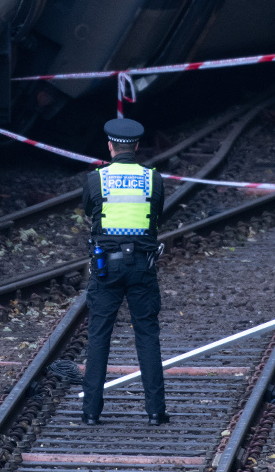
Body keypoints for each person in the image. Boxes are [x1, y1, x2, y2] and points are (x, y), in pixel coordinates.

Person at [81, 117, 170, 426]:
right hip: (142, 268)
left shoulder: (97, 179)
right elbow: (157, 215)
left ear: (110, 146)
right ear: (136, 147)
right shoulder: (153, 179)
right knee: (147, 335)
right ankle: (156, 412)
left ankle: (91, 412)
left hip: (106, 267)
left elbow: (88, 210)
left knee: (99, 335)